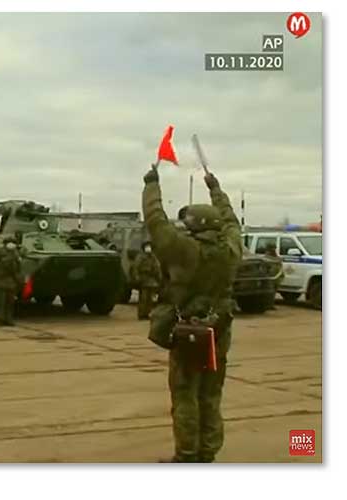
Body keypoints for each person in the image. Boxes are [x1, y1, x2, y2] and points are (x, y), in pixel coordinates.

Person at [142, 165, 241, 463]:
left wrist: (152, 184)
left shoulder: (183, 249)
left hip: (188, 331)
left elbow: (155, 220)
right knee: (211, 394)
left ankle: (187, 455)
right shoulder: (231, 249)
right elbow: (231, 220)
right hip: (219, 331)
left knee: (185, 395)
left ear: (195, 226)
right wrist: (216, 189)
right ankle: (208, 451)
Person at [0, 233, 22, 326]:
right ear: (6, 244)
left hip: (12, 281)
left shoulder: (16, 253)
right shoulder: (1, 252)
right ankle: (1, 319)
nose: (12, 244)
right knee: (1, 302)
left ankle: (9, 319)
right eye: (10, 243)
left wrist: (18, 280)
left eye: (13, 243)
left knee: (10, 303)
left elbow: (18, 268)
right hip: (2, 280)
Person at [130, 241, 162, 320]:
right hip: (143, 278)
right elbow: (136, 267)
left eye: (149, 246)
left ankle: (147, 313)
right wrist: (137, 277)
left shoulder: (153, 257)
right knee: (143, 298)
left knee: (150, 299)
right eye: (147, 246)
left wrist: (159, 278)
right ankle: (141, 314)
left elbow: (157, 267)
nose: (148, 248)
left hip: (151, 279)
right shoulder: (140, 257)